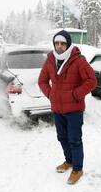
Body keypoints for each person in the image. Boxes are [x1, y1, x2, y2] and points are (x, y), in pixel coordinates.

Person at [39, 30, 97, 184]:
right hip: (57, 109)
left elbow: (91, 81)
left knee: (74, 140)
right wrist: (50, 94)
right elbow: (42, 81)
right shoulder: (51, 59)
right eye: (57, 43)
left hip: (74, 110)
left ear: (68, 44)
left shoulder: (78, 60)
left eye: (63, 43)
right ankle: (69, 161)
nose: (59, 46)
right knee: (62, 137)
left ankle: (78, 168)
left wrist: (74, 95)